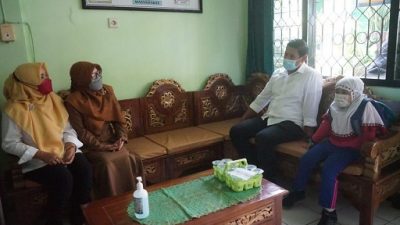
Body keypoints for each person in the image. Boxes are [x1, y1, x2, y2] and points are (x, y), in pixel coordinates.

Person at [283, 77, 388, 225]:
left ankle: (329, 213)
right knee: (306, 159)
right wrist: (314, 140)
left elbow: (369, 134)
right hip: (332, 142)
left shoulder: (365, 106)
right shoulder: (334, 105)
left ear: (356, 92)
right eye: (337, 91)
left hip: (351, 148)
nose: (340, 95)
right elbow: (326, 125)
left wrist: (363, 153)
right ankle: (298, 191)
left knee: (329, 169)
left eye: (344, 92)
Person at [1, 63, 92, 225]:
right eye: (42, 77)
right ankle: (54, 220)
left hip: (61, 150)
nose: (47, 80)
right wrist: (41, 154)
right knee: (63, 178)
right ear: (28, 83)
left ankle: (79, 217)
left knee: (83, 168)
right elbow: (9, 143)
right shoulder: (13, 109)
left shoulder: (54, 100)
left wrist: (70, 146)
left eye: (46, 75)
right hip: (35, 160)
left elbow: (67, 129)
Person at [230, 39, 323, 181]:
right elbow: (262, 98)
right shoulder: (279, 73)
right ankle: (254, 169)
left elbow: (311, 105)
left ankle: (271, 180)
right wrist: (243, 119)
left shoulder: (311, 75)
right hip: (271, 118)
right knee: (237, 131)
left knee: (263, 137)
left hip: (293, 124)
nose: (287, 58)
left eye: (292, 56)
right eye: (286, 54)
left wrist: (309, 135)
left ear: (303, 58)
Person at [65, 61, 139, 199]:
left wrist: (121, 138)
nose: (98, 77)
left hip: (111, 139)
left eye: (98, 73)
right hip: (91, 145)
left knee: (128, 157)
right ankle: (110, 202)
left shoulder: (107, 91)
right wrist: (104, 146)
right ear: (82, 78)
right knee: (107, 163)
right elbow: (81, 132)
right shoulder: (73, 100)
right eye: (93, 74)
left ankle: (129, 198)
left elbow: (119, 119)